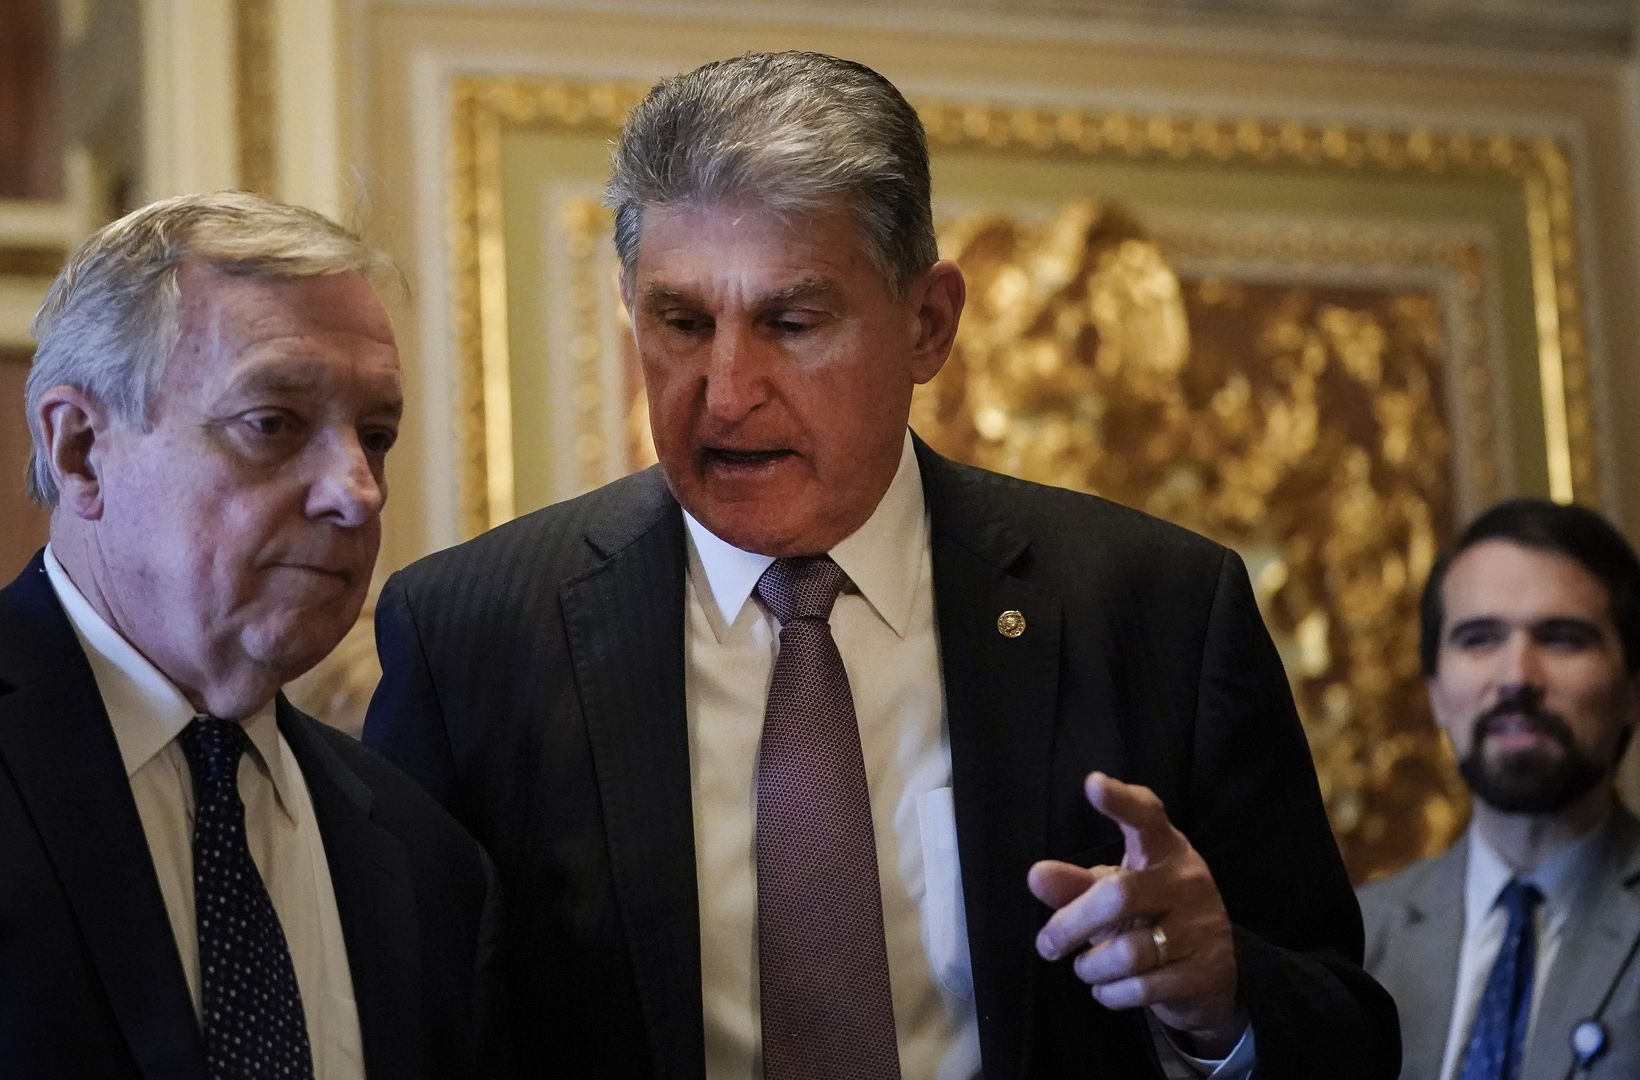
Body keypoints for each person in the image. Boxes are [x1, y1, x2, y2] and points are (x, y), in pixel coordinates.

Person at [363, 51, 1396, 1079]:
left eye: (790, 323)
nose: (725, 392)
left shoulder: (1158, 608)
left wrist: (1222, 1001)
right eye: (681, 323)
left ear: (928, 324)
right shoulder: (470, 636)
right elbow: (399, 1036)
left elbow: (1349, 1035)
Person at [0, 191, 503, 1079]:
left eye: (376, 434)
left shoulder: (422, 855)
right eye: (274, 424)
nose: (356, 490)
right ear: (81, 449)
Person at [1360, 498, 1640, 1080]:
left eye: (1563, 638)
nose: (1516, 677)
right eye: (1479, 638)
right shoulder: (1358, 942)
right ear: (1436, 694)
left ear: (1633, 689)